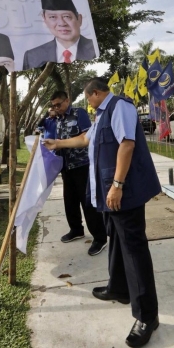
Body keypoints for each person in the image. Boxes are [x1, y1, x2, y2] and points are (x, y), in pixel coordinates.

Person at [44, 77, 161, 348]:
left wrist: (118, 185)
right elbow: (87, 139)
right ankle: (118, 288)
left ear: (95, 93)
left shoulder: (120, 107)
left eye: (88, 98)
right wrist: (57, 144)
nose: (87, 103)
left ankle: (148, 316)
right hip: (108, 194)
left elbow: (127, 145)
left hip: (123, 192)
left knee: (134, 249)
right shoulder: (101, 114)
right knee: (116, 240)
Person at [48, 90, 107, 256]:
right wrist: (50, 116)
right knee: (70, 201)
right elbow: (42, 127)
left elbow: (86, 136)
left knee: (88, 203)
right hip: (66, 166)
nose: (56, 108)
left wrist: (61, 143)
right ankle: (76, 229)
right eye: (53, 105)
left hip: (82, 165)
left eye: (59, 104)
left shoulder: (78, 113)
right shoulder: (56, 118)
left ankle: (100, 238)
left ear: (67, 100)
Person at [22, 0, 96, 70]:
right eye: (53, 17)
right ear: (45, 20)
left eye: (67, 16)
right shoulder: (32, 56)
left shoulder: (94, 48)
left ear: (79, 19)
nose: (62, 23)